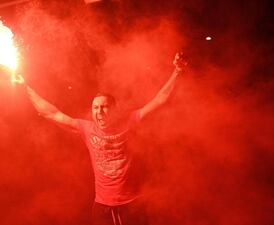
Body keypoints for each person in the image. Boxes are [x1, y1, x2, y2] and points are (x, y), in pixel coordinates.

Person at [24, 52, 186, 225]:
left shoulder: (129, 122)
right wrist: (25, 87)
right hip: (102, 206)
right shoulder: (86, 128)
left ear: (114, 110)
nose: (99, 112)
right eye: (95, 108)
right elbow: (52, 113)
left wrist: (177, 71)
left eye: (104, 107)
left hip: (131, 204)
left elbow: (160, 99)